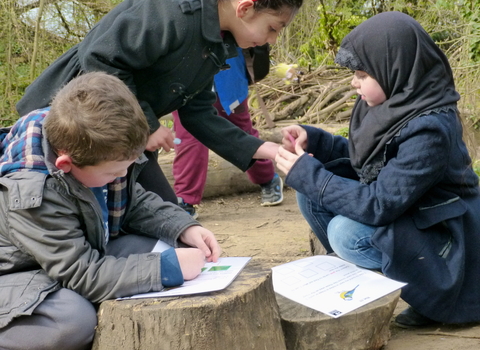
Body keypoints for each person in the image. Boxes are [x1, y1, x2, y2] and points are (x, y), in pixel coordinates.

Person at [275, 12, 480, 328]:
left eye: (361, 74)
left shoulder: (430, 129)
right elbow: (372, 165)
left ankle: (427, 294)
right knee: (311, 194)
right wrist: (316, 140)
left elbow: (380, 203)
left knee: (345, 233)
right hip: (410, 211)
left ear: (394, 69)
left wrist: (309, 173)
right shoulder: (389, 105)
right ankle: (362, 285)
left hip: (444, 235)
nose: (353, 82)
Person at [0, 72, 221, 350]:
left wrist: (184, 226)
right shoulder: (32, 192)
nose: (123, 174)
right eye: (114, 171)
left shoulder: (95, 149)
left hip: (61, 261)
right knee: (73, 319)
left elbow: (134, 200)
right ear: (66, 164)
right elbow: (80, 273)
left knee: (158, 246)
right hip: (14, 277)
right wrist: (165, 269)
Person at [16, 0, 303, 206]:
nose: (273, 40)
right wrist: (149, 124)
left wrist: (272, 150)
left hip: (126, 137)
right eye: (273, 28)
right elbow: (100, 57)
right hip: (69, 124)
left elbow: (199, 114)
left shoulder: (217, 42)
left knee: (168, 218)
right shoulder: (172, 12)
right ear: (245, 8)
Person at [173, 45, 283, 218]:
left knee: (242, 133)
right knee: (189, 140)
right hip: (187, 82)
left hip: (229, 81)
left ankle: (267, 178)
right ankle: (185, 199)